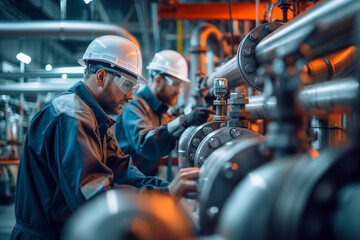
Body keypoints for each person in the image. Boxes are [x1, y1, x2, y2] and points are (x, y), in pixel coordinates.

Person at [10, 36, 199, 240]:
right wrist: (163, 195)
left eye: (134, 88)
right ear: (100, 77)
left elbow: (121, 170)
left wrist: (166, 189)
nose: (131, 96)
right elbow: (92, 197)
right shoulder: (72, 116)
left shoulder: (94, 117)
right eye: (128, 85)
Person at [114, 50, 212, 176]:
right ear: (159, 80)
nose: (179, 91)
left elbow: (171, 123)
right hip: (128, 185)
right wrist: (183, 121)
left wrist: (206, 107)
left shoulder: (160, 109)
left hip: (145, 180)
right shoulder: (133, 107)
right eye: (176, 84)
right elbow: (146, 144)